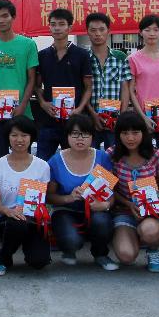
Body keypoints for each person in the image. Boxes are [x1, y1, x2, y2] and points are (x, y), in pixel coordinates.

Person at [46, 112, 117, 270]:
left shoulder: (102, 157)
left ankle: (100, 254)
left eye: (85, 134)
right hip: (65, 210)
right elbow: (49, 197)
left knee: (102, 222)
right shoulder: (56, 160)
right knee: (71, 239)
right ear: (67, 136)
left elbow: (111, 192)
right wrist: (69, 198)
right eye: (75, 134)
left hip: (95, 209)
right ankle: (69, 249)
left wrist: (105, 205)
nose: (80, 139)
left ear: (92, 136)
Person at [0, 115, 51, 275]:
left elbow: (44, 198)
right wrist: (8, 211)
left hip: (33, 220)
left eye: (24, 135)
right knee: (17, 223)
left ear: (31, 137)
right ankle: (3, 258)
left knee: (39, 262)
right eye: (14, 135)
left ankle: (28, 247)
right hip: (7, 219)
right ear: (8, 137)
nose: (19, 140)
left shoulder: (42, 166)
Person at [108, 111, 159, 272]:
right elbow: (110, 189)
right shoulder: (112, 155)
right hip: (124, 211)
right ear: (118, 134)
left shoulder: (157, 155)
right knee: (126, 256)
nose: (130, 138)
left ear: (144, 133)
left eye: (135, 132)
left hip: (150, 211)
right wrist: (128, 203)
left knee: (150, 231)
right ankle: (129, 236)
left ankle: (153, 250)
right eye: (125, 133)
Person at [34, 8, 92, 160]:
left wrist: (79, 109)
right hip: (49, 120)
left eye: (61, 24)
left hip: (74, 121)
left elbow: (88, 88)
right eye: (53, 24)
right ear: (49, 27)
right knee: (42, 162)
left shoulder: (82, 55)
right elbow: (37, 86)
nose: (57, 28)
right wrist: (43, 103)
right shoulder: (42, 55)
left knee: (74, 161)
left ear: (70, 27)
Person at [0, 0, 38, 159]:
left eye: (5, 16)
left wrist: (22, 105)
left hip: (22, 112)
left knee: (23, 159)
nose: (1, 20)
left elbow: (32, 79)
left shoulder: (28, 44)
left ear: (13, 17)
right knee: (0, 158)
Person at [128, 14, 159, 152]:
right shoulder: (133, 59)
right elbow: (131, 91)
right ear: (140, 32)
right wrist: (143, 117)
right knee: (143, 157)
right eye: (147, 30)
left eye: (156, 30)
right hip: (143, 118)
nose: (152, 33)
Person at [84, 12, 132, 149]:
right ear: (87, 32)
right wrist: (93, 114)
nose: (97, 34)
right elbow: (82, 89)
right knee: (91, 155)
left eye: (101, 29)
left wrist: (121, 116)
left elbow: (125, 88)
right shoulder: (83, 57)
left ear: (108, 31)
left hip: (114, 119)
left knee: (114, 155)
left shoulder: (120, 57)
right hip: (90, 119)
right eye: (93, 30)